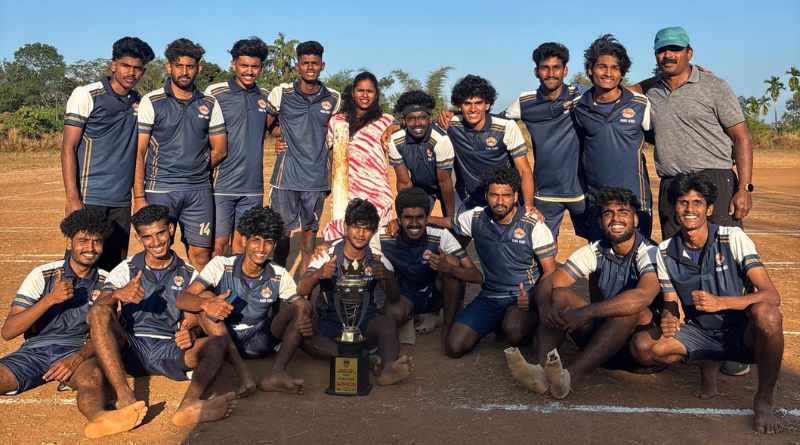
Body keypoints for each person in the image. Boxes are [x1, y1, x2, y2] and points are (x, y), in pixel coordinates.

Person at [630, 26, 756, 377]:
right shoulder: (650, 93)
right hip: (672, 185)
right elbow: (622, 91)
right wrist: (650, 81)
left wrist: (744, 187)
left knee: (727, 261)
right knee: (678, 260)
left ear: (690, 52)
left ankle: (736, 344)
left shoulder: (714, 86)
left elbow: (741, 137)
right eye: (662, 50)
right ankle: (695, 337)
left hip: (715, 180)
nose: (668, 55)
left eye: (675, 49)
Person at [630, 173, 784, 435]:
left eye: (697, 202)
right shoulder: (664, 252)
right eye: (683, 202)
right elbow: (670, 301)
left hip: (742, 331)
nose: (690, 209)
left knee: (768, 315)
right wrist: (669, 316)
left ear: (709, 209)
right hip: (701, 332)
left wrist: (721, 302)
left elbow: (772, 295)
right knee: (643, 347)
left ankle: (763, 399)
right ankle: (706, 361)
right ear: (674, 209)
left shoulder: (732, 237)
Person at [0, 209, 147, 439]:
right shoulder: (42, 274)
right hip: (34, 350)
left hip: (78, 350)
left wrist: (78, 357)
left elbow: (112, 335)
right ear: (69, 243)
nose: (90, 248)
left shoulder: (107, 281)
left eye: (97, 241)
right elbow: (8, 332)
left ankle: (99, 418)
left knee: (92, 377)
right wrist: (50, 300)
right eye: (83, 240)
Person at [88, 205, 236, 427]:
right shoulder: (126, 269)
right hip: (131, 348)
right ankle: (125, 395)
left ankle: (189, 403)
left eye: (160, 233)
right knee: (100, 310)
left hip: (171, 348)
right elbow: (93, 315)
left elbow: (195, 319)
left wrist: (192, 333)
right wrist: (117, 294)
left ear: (171, 229)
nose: (156, 242)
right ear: (138, 238)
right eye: (147, 236)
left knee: (217, 344)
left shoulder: (189, 273)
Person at [511, 187, 661, 399]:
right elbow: (551, 282)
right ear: (600, 222)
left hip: (636, 346)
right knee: (559, 295)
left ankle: (571, 377)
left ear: (635, 220)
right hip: (603, 340)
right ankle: (542, 371)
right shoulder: (596, 250)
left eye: (623, 212)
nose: (615, 218)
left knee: (631, 309)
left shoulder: (650, 251)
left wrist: (586, 312)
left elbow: (643, 296)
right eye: (608, 213)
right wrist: (543, 306)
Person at [177, 205, 325, 397]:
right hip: (223, 336)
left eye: (268, 242)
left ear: (274, 245)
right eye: (256, 240)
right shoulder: (221, 264)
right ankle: (242, 370)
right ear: (244, 240)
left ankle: (277, 372)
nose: (261, 249)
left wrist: (308, 320)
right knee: (204, 297)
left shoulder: (278, 274)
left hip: (261, 340)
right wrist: (207, 303)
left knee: (303, 306)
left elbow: (302, 308)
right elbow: (183, 299)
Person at [418, 166, 557, 357]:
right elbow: (445, 221)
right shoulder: (476, 218)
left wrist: (533, 298)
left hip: (522, 297)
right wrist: (409, 221)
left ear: (516, 196)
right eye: (494, 195)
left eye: (506, 195)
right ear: (486, 195)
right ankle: (496, 323)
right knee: (454, 347)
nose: (500, 201)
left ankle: (526, 325)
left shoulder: (534, 224)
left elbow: (551, 271)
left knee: (515, 331)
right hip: (490, 297)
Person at [61, 37, 155, 271]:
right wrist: (73, 199)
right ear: (114, 65)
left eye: (137, 68)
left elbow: (140, 151)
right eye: (125, 65)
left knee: (113, 270)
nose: (131, 72)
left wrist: (138, 197)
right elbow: (68, 147)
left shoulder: (140, 103)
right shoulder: (86, 95)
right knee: (80, 266)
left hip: (121, 202)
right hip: (89, 198)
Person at [297, 199, 414, 386]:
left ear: (373, 231)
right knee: (304, 335)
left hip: (365, 321)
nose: (360, 234)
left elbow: (394, 297)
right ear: (346, 226)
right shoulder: (327, 255)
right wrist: (318, 274)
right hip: (330, 322)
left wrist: (387, 276)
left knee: (387, 325)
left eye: (366, 229)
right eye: (356, 227)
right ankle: (364, 359)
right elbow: (301, 288)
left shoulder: (377, 259)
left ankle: (389, 368)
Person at [134, 38, 227, 271]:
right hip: (159, 190)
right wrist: (139, 197)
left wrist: (196, 169)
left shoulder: (209, 103)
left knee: (201, 255)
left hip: (198, 191)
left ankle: (202, 297)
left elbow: (220, 149)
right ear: (169, 67)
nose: (184, 72)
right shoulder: (152, 101)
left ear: (198, 69)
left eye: (190, 66)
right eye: (179, 66)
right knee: (157, 252)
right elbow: (139, 151)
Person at [266, 41, 341, 274]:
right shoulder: (282, 94)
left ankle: (304, 292)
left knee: (309, 242)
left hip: (316, 180)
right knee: (281, 241)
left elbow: (336, 136)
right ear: (297, 66)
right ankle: (278, 290)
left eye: (315, 63)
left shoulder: (334, 99)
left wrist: (332, 179)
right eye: (305, 63)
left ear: (322, 66)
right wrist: (279, 137)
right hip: (285, 179)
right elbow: (266, 126)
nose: (310, 67)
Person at [379, 187, 484, 349]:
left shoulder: (441, 235)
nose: (414, 224)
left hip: (435, 293)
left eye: (420, 217)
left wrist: (448, 268)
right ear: (398, 219)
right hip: (406, 294)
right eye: (408, 218)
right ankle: (408, 317)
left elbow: (477, 276)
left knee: (452, 261)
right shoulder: (384, 237)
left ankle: (448, 326)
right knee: (394, 313)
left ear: (428, 218)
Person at [572, 35, 653, 241]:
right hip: (597, 202)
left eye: (615, 68)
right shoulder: (578, 107)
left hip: (637, 200)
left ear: (622, 73)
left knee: (638, 256)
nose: (608, 73)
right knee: (598, 257)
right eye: (602, 67)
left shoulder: (640, 104)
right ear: (590, 70)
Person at [205, 37, 270, 257]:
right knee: (219, 245)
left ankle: (237, 281)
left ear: (261, 67)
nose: (249, 71)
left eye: (255, 66)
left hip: (253, 186)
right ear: (233, 64)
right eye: (244, 65)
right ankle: (216, 281)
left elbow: (276, 128)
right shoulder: (215, 93)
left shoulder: (265, 97)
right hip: (221, 184)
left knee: (243, 245)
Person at [444, 75, 535, 214]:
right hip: (473, 199)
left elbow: (524, 170)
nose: (473, 109)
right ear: (459, 106)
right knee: (457, 227)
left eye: (478, 103)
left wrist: (528, 204)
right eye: (467, 103)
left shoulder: (506, 126)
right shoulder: (451, 124)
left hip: (504, 199)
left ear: (487, 105)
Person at [322, 72, 396, 242]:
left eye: (370, 91)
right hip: (346, 193)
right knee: (346, 244)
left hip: (378, 194)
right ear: (352, 92)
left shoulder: (387, 121)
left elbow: (408, 127)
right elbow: (329, 157)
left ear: (376, 94)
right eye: (360, 90)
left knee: (376, 245)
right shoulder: (337, 121)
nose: (365, 95)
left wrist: (396, 127)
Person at [387, 91, 457, 216]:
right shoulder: (395, 141)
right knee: (414, 222)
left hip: (450, 186)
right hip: (421, 188)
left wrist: (451, 219)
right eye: (411, 119)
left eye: (422, 117)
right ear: (404, 120)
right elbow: (404, 183)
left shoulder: (441, 139)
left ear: (430, 118)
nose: (417, 123)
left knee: (455, 224)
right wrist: (404, 214)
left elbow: (444, 181)